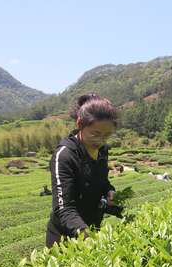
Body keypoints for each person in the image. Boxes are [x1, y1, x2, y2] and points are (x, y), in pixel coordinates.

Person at [45, 94, 118, 248]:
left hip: (92, 228)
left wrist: (109, 190)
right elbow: (64, 209)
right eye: (95, 134)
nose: (101, 140)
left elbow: (101, 180)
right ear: (80, 124)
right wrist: (88, 237)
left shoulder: (102, 150)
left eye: (107, 135)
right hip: (65, 238)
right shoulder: (65, 155)